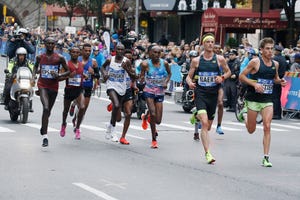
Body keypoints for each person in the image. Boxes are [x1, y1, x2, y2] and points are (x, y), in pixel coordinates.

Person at [238, 37, 287, 167]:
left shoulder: (275, 64)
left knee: (267, 126)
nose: (270, 51)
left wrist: (280, 81)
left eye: (272, 48)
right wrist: (254, 85)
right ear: (261, 50)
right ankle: (244, 115)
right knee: (251, 130)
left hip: (267, 99)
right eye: (267, 49)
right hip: (253, 99)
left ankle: (266, 157)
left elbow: (275, 78)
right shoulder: (255, 62)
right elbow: (241, 76)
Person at [186, 33, 231, 164]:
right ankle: (208, 153)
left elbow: (228, 72)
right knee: (205, 124)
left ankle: (197, 114)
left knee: (209, 126)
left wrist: (221, 78)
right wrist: (189, 82)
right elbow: (189, 76)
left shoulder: (220, 59)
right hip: (201, 93)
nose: (210, 44)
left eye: (212, 42)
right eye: (208, 42)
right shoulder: (197, 60)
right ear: (203, 44)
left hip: (213, 94)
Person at [33, 37, 70, 147]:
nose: (50, 45)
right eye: (48, 43)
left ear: (54, 45)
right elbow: (35, 67)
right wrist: (33, 76)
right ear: (44, 44)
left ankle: (43, 125)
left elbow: (68, 71)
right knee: (46, 108)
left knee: (48, 112)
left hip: (53, 86)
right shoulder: (40, 57)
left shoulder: (60, 58)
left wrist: (59, 75)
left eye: (52, 43)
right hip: (42, 84)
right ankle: (45, 136)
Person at [101, 44, 137, 142]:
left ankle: (110, 125)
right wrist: (104, 74)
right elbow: (103, 67)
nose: (120, 51)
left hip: (122, 88)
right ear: (115, 50)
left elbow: (133, 76)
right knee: (116, 105)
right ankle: (113, 129)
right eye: (118, 49)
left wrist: (127, 69)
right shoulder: (110, 60)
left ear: (124, 51)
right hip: (111, 86)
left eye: (122, 49)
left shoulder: (127, 61)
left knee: (119, 117)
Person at [139, 45, 171, 148]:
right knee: (153, 114)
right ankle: (154, 139)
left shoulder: (164, 63)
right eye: (154, 52)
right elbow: (142, 76)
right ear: (150, 53)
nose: (157, 55)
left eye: (159, 53)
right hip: (149, 91)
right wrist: (142, 79)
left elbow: (169, 74)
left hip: (160, 92)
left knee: (158, 120)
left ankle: (145, 116)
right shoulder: (145, 64)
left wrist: (166, 82)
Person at [70, 43, 100, 128]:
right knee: (80, 104)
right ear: (82, 51)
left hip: (88, 86)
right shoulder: (77, 59)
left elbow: (98, 76)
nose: (87, 52)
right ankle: (73, 104)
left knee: (84, 109)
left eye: (89, 51)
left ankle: (75, 119)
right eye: (86, 50)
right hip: (77, 85)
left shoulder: (93, 62)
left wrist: (93, 73)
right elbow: (70, 70)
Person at [60, 47, 85, 140]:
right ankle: (63, 124)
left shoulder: (81, 64)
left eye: (77, 52)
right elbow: (59, 78)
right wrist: (68, 76)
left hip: (78, 90)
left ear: (79, 54)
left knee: (82, 107)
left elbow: (81, 74)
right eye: (73, 52)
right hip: (69, 90)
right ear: (70, 53)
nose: (75, 54)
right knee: (65, 111)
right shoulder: (67, 64)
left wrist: (85, 75)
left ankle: (77, 128)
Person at [272, 45, 287, 119]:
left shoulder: (275, 59)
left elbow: (273, 70)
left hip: (275, 79)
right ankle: (278, 113)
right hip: (281, 78)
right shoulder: (283, 58)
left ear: (276, 51)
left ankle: (275, 114)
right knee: (277, 97)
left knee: (274, 97)